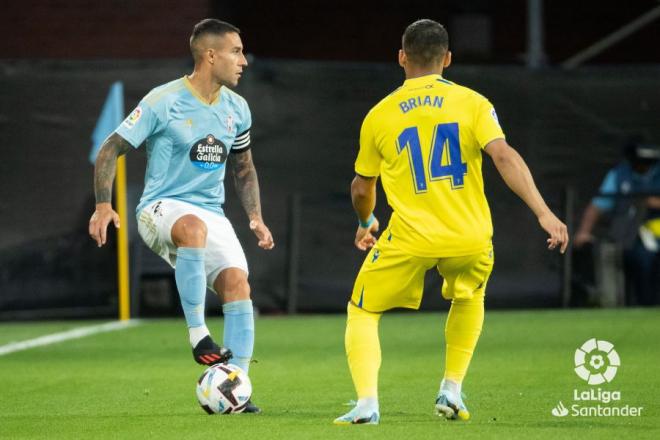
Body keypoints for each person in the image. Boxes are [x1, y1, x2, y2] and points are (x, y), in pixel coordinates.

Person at [334, 19, 568, 425]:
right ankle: (452, 390)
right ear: (447, 59)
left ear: (402, 57)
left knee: (363, 311)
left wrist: (367, 220)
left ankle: (368, 404)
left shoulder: (380, 114)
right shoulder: (473, 103)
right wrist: (544, 213)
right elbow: (504, 156)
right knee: (469, 299)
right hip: (470, 236)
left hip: (411, 238)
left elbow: (361, 186)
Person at [88, 19, 274, 413]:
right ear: (210, 55)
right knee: (193, 227)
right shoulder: (163, 100)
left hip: (210, 213)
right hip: (161, 207)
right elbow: (109, 148)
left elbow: (244, 168)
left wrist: (255, 216)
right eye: (236, 51)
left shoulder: (237, 109)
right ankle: (198, 337)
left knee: (238, 284)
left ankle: (237, 386)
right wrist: (104, 204)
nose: (243, 60)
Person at [574, 141, 660, 305]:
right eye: (639, 162)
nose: (644, 166)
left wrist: (652, 202)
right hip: (633, 237)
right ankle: (645, 305)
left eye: (648, 162)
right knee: (641, 259)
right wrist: (583, 232)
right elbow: (597, 206)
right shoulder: (620, 175)